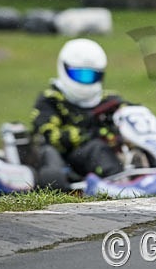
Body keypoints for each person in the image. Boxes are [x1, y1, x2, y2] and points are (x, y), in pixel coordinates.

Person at [31, 38, 127, 187]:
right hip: (70, 162)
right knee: (96, 147)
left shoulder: (109, 100)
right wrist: (92, 131)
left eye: (91, 76)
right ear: (64, 69)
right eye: (80, 75)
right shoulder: (51, 101)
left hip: (112, 154)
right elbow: (51, 138)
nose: (85, 81)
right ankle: (120, 183)